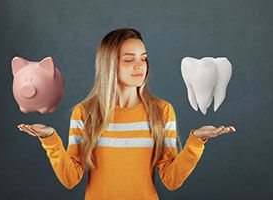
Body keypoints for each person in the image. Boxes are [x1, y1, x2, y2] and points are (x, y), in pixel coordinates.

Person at [17, 28, 236, 200]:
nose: (140, 65)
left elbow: (171, 180)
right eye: (129, 59)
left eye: (144, 58)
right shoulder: (85, 113)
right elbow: (70, 178)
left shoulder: (162, 111)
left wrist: (196, 141)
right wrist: (50, 140)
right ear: (109, 64)